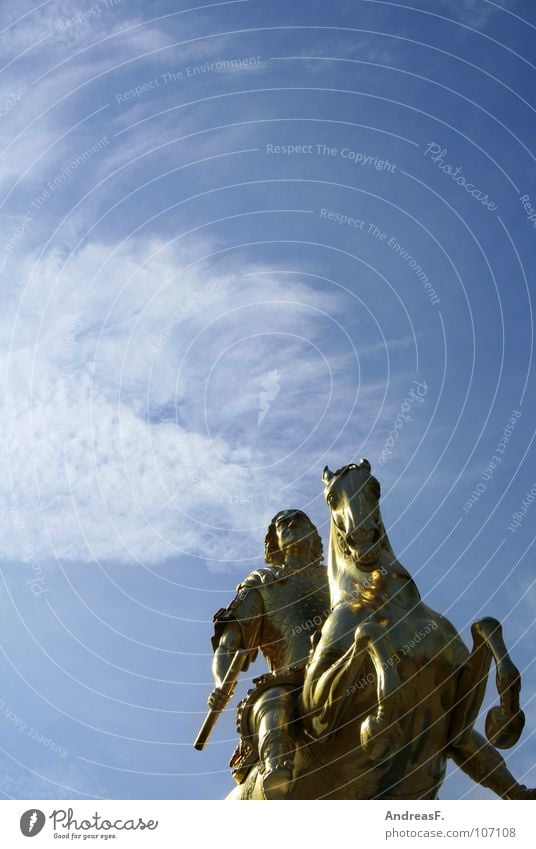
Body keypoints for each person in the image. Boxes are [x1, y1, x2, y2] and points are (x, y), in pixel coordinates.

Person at [209, 509, 329, 799]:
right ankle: (276, 771)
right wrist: (221, 683)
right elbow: (229, 641)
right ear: (274, 541)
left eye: (298, 521)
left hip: (348, 666)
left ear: (313, 535)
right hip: (291, 677)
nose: (289, 526)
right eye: (282, 525)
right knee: (276, 701)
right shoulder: (263, 581)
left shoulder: (339, 577)